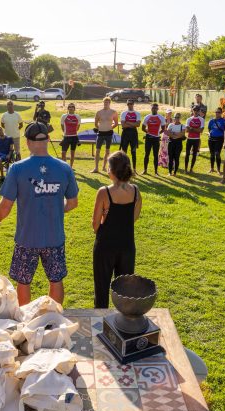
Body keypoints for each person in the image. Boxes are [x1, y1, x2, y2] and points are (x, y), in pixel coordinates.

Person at [0, 122, 79, 305]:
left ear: (28, 142)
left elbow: (5, 207)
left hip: (27, 238)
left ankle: (24, 322)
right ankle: (54, 319)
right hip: (54, 237)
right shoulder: (64, 168)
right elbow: (72, 203)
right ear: (47, 139)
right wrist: (55, 205)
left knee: (23, 281)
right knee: (56, 279)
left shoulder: (17, 168)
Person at [92, 151, 142, 308]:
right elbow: (132, 218)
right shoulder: (136, 191)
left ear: (112, 171)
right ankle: (125, 324)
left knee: (101, 289)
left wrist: (105, 218)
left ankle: (100, 325)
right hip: (127, 246)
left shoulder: (104, 192)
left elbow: (95, 225)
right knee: (125, 290)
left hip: (105, 247)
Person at [92, 97, 118, 173]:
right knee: (97, 151)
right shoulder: (99, 112)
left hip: (109, 133)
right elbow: (96, 123)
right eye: (105, 102)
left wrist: (110, 128)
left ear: (110, 103)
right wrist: (100, 128)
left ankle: (104, 167)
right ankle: (96, 168)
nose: (106, 104)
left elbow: (116, 123)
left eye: (107, 102)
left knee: (107, 151)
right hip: (100, 133)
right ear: (103, 103)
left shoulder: (113, 112)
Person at [141, 103, 165, 175]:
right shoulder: (147, 117)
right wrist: (148, 132)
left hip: (156, 139)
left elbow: (163, 128)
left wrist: (157, 134)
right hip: (148, 138)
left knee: (155, 155)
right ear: (151, 109)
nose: (154, 109)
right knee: (146, 154)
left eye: (155, 108)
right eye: (153, 108)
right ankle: (145, 170)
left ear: (157, 109)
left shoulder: (161, 117)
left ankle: (156, 172)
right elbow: (143, 128)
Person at [119, 99, 141, 172]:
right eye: (128, 104)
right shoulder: (123, 113)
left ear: (133, 104)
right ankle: (124, 168)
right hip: (125, 133)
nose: (130, 105)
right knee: (124, 152)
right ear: (127, 104)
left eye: (131, 104)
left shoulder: (137, 113)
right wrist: (132, 124)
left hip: (133, 134)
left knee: (133, 152)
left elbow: (138, 124)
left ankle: (134, 169)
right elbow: (123, 125)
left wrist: (127, 122)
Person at [60, 103, 81, 167]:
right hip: (66, 137)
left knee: (72, 153)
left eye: (72, 107)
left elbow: (78, 127)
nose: (71, 108)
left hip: (74, 137)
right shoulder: (64, 116)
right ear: (68, 108)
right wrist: (65, 132)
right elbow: (62, 125)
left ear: (74, 108)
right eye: (69, 107)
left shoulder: (77, 116)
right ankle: (65, 166)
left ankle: (70, 167)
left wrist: (73, 132)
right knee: (63, 153)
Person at [185, 106, 204, 173]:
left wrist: (192, 129)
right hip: (189, 139)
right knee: (187, 154)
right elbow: (187, 130)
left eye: (197, 110)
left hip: (196, 139)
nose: (195, 111)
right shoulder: (189, 119)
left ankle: (191, 169)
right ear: (192, 111)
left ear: (199, 111)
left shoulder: (201, 119)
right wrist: (196, 129)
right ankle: (186, 169)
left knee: (194, 155)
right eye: (194, 110)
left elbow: (201, 130)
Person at [207, 107, 225, 173]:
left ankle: (218, 169)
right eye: (216, 112)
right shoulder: (211, 120)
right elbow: (209, 129)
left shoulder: (224, 121)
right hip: (211, 139)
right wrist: (211, 133)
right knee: (212, 154)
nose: (217, 113)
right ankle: (212, 168)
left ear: (221, 113)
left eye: (219, 112)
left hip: (219, 139)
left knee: (217, 154)